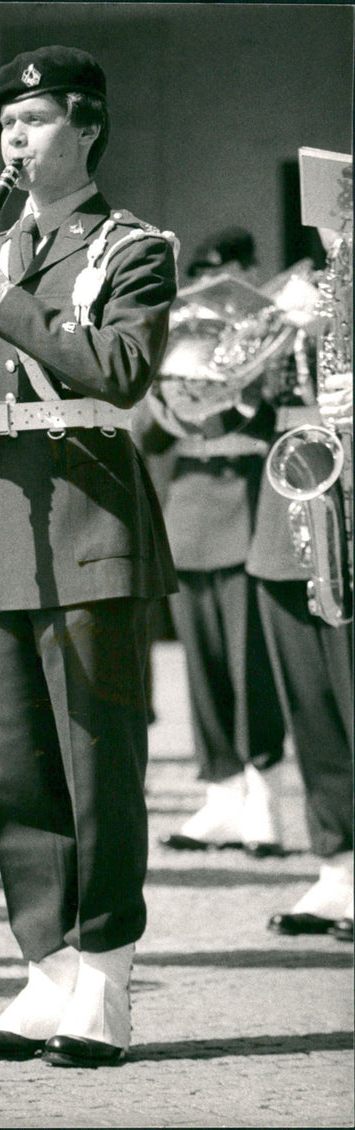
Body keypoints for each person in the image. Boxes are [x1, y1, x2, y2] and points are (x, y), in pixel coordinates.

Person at [0, 47, 178, 1064]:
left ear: (86, 126)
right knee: (14, 767)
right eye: (4, 129)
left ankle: (104, 973)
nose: (13, 143)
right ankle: (43, 969)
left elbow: (120, 367)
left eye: (34, 123)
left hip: (86, 525)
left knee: (95, 762)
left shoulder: (129, 246)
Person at [142, 228, 287, 856]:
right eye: (198, 269)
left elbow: (278, 413)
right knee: (202, 665)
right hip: (192, 511)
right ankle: (221, 793)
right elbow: (150, 435)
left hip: (249, 502)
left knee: (249, 662)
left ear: (248, 268)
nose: (207, 276)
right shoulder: (183, 333)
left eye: (219, 266)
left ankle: (266, 795)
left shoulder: (276, 332)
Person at [247, 225, 353, 943]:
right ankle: (338, 865)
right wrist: (274, 340)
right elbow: (237, 400)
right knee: (312, 709)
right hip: (289, 519)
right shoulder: (304, 294)